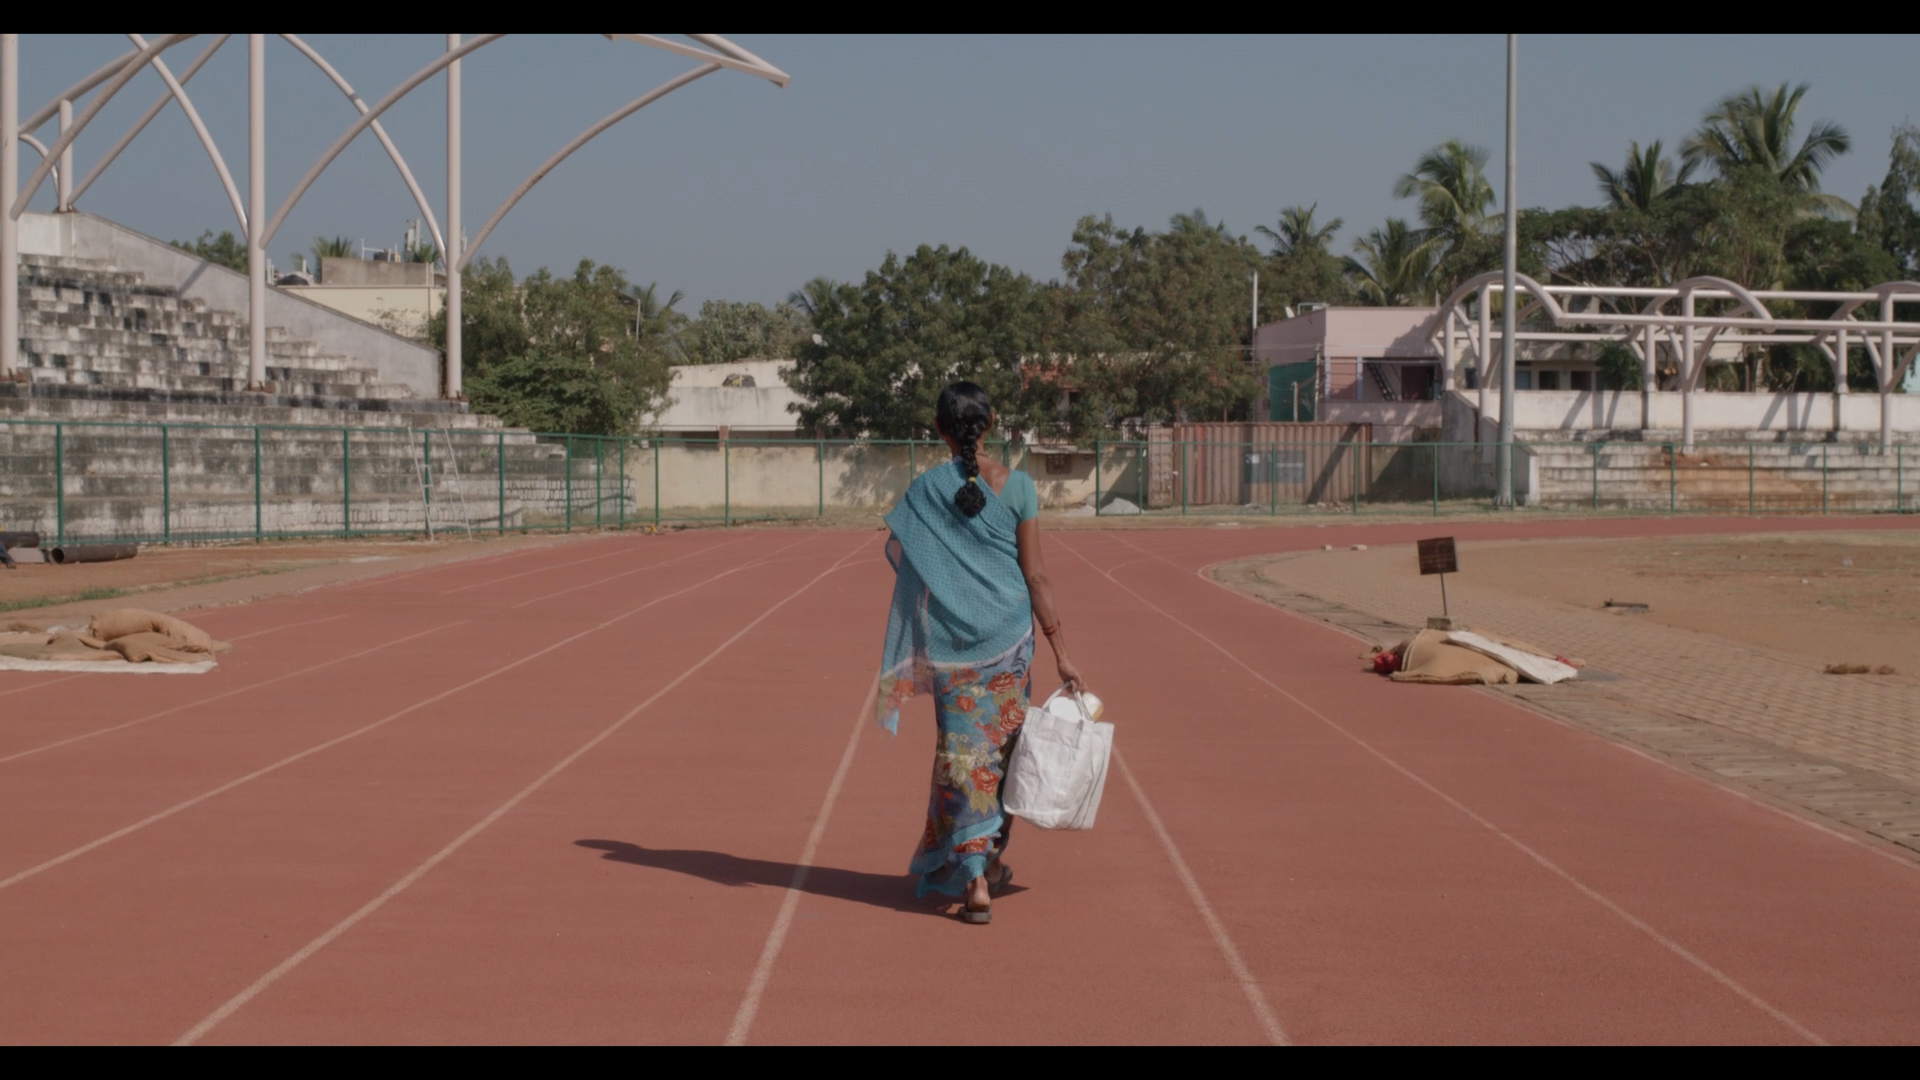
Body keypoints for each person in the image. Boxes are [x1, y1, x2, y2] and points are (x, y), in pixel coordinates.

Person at [876, 381, 1085, 924]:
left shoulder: (925, 492)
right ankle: (986, 859)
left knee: (961, 757)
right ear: (990, 422)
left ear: (939, 430)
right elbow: (1036, 575)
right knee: (1003, 755)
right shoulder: (1019, 488)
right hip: (1010, 646)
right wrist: (1061, 651)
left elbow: (913, 566)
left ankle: (975, 877)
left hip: (952, 650)